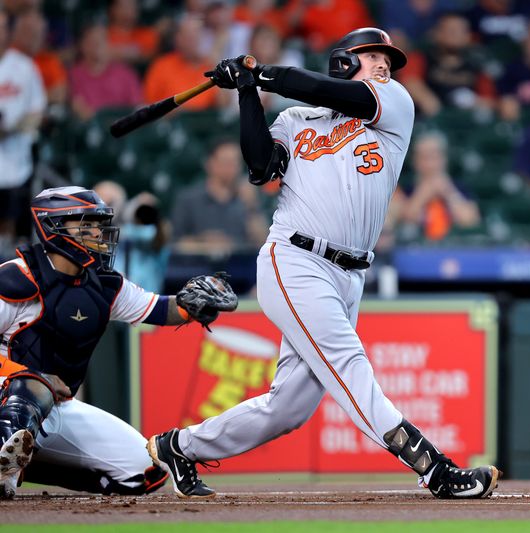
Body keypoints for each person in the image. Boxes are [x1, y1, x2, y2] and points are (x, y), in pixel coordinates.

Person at [147, 27, 501, 500]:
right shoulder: (296, 120)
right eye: (373, 56)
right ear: (344, 60)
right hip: (294, 259)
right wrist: (248, 94)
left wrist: (260, 73)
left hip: (349, 273)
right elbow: (258, 167)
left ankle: (179, 447)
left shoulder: (393, 104)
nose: (384, 65)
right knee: (348, 363)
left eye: (388, 59)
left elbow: (321, 87)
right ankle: (434, 469)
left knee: (288, 409)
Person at [0, 186, 238, 499]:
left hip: (54, 406)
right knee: (33, 384)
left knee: (144, 472)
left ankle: (18, 465)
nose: (98, 231)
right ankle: (4, 474)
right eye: (86, 223)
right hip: (10, 393)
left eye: (98, 222)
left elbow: (156, 308)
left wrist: (189, 304)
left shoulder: (104, 283)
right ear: (53, 227)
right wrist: (25, 374)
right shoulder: (17, 277)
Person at [170, 138, 268, 255]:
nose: (233, 168)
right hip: (197, 268)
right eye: (227, 162)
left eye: (236, 162)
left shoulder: (247, 200)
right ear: (210, 164)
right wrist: (203, 243)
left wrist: (251, 206)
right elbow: (175, 244)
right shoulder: (189, 200)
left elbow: (264, 243)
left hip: (240, 267)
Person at [0, 8, 45, 253]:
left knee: (14, 239)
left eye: (2, 27)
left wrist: (12, 127)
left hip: (17, 164)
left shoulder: (24, 67)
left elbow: (38, 112)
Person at [401, 12, 495, 117]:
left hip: (468, 120)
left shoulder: (477, 63)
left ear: (468, 36)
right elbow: (410, 82)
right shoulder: (420, 57)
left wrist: (474, 102)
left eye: (460, 31)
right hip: (430, 120)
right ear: (437, 34)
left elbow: (490, 100)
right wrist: (427, 100)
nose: (455, 35)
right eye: (450, 30)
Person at [401, 131, 480, 241]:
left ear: (444, 159)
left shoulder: (460, 187)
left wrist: (448, 192)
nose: (430, 164)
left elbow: (470, 220)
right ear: (415, 161)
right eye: (424, 157)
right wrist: (423, 193)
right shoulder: (406, 189)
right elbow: (404, 218)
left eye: (434, 156)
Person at [142, 15, 221, 110]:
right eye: (190, 37)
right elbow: (148, 104)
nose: (195, 42)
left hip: (203, 123)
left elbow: (223, 107)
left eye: (198, 36)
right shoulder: (162, 66)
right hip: (170, 122)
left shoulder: (212, 67)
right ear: (178, 39)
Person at [69, 24, 143, 121]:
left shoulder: (126, 73)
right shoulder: (75, 75)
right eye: (92, 42)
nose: (97, 45)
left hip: (125, 128)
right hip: (93, 128)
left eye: (101, 41)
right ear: (82, 46)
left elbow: (138, 107)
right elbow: (79, 108)